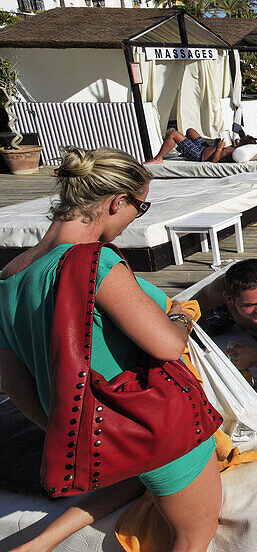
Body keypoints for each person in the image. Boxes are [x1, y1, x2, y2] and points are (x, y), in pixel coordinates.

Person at [0, 148, 220, 550]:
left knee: (139, 478)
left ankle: (35, 544)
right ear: (118, 201)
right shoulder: (95, 262)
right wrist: (184, 315)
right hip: (150, 424)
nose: (138, 216)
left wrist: (63, 429)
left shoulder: (9, 277)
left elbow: (14, 382)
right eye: (141, 206)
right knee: (193, 535)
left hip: (103, 432)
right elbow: (169, 346)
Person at [145, 127, 257, 164]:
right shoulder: (236, 148)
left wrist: (219, 147)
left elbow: (214, 161)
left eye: (241, 141)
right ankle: (184, 149)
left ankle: (158, 158)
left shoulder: (236, 153)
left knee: (173, 134)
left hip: (199, 154)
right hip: (205, 147)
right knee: (190, 131)